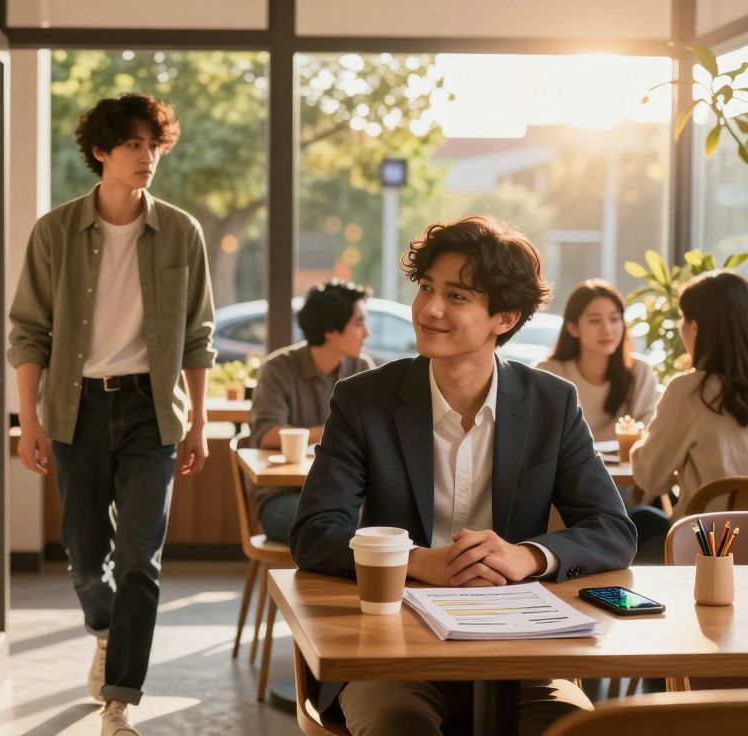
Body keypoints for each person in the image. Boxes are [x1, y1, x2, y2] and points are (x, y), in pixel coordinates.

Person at [289, 215, 637, 736]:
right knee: (397, 726)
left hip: (519, 650)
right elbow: (315, 532)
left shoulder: (551, 403)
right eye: (427, 288)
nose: (429, 309)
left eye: (456, 296)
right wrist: (416, 562)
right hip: (393, 648)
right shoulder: (364, 400)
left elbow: (613, 530)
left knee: (577, 731)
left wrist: (527, 556)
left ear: (504, 317)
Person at [8, 92, 216, 736]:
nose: (147, 156)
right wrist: (29, 421)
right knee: (83, 556)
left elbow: (198, 335)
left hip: (152, 412)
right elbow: (28, 331)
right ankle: (105, 626)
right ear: (101, 151)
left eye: (154, 145)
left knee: (139, 559)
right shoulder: (55, 232)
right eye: (132, 144)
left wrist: (199, 421)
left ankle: (119, 700)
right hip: (77, 410)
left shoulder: (181, 232)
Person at [248, 280, 374, 543]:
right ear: (331, 330)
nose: (367, 333)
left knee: (375, 528)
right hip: (284, 494)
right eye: (359, 323)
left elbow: (374, 434)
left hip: (345, 490)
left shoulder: (361, 368)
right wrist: (334, 433)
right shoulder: (278, 368)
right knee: (336, 532)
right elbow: (267, 434)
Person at [631, 270, 748, 519]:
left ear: (695, 327)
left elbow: (650, 478)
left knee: (640, 519)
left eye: (682, 319)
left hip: (707, 540)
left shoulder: (690, 391)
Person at [536, 280, 658, 442]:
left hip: (625, 459)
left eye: (614, 319)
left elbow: (648, 431)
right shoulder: (549, 373)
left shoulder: (639, 370)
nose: (607, 330)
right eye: (594, 320)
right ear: (573, 328)